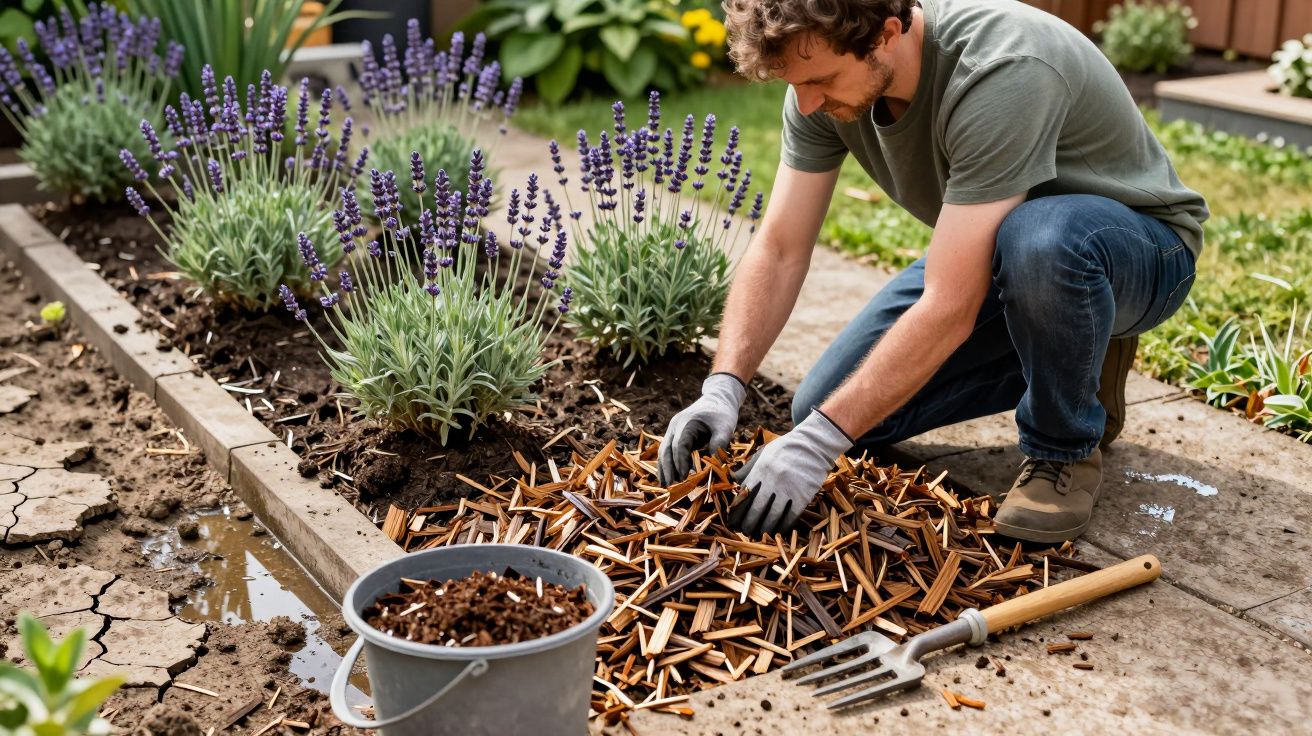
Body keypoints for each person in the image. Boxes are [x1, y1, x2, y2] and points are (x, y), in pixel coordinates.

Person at [657, 0, 1207, 543]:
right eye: (794, 84)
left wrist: (818, 443)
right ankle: (1079, 357)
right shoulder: (818, 89)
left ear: (887, 34)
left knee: (1040, 236)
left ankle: (1063, 447)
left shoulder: (1001, 68)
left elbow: (950, 304)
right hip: (1001, 248)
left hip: (1137, 251)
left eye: (820, 81)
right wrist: (723, 386)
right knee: (826, 408)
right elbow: (780, 248)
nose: (805, 104)